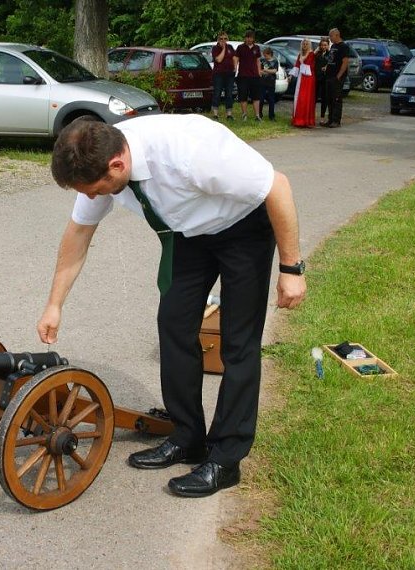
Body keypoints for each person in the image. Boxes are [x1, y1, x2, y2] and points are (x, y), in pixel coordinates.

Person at [39, 115, 307, 498]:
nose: (94, 198)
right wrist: (54, 305)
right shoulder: (98, 161)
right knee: (174, 326)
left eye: (97, 190)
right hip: (189, 235)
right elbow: (78, 234)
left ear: (117, 165)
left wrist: (291, 268)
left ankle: (225, 458)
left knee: (238, 343)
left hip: (243, 229)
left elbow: (276, 186)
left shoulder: (189, 153)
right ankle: (187, 436)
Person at [233, 29, 263, 121]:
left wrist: (259, 72)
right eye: (247, 37)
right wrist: (235, 69)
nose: (249, 39)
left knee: (256, 96)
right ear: (245, 38)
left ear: (253, 39)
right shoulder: (240, 47)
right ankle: (244, 115)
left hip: (254, 76)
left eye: (251, 38)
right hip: (243, 76)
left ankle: (257, 116)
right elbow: (236, 58)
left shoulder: (257, 48)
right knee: (243, 96)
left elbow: (258, 61)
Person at [323, 28, 349, 128]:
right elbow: (330, 60)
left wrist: (339, 75)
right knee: (329, 98)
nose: (330, 38)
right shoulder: (333, 46)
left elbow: (345, 62)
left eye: (331, 36)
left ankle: (336, 120)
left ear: (337, 35)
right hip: (329, 75)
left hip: (337, 77)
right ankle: (330, 119)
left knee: (336, 98)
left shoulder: (344, 47)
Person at [291, 38, 316, 127]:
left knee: (306, 98)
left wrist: (302, 62)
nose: (305, 46)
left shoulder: (312, 54)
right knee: (298, 97)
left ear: (309, 45)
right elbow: (297, 65)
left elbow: (311, 67)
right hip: (301, 78)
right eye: (303, 44)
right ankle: (298, 119)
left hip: (309, 79)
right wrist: (291, 76)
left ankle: (306, 120)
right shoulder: (300, 54)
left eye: (306, 44)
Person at [211, 31, 236, 121]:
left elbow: (234, 57)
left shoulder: (230, 47)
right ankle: (215, 114)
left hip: (229, 74)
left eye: (225, 39)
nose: (223, 40)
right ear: (218, 39)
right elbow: (219, 59)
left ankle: (229, 114)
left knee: (229, 94)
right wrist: (224, 48)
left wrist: (235, 67)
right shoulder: (215, 48)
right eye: (221, 39)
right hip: (218, 74)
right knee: (217, 93)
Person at [260, 47, 279, 120]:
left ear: (270, 54)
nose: (264, 56)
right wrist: (264, 71)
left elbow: (274, 71)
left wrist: (265, 70)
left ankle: (271, 116)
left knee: (271, 100)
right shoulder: (262, 60)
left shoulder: (275, 61)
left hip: (271, 83)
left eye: (265, 55)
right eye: (264, 55)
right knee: (261, 99)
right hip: (262, 82)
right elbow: (260, 70)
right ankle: (260, 114)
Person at [315, 37, 330, 121]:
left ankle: (322, 116)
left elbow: (332, 64)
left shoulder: (330, 54)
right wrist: (316, 50)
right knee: (314, 97)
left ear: (328, 45)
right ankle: (311, 115)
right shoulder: (317, 54)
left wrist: (327, 67)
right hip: (317, 78)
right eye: (322, 45)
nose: (323, 47)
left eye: (325, 45)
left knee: (324, 98)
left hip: (325, 79)